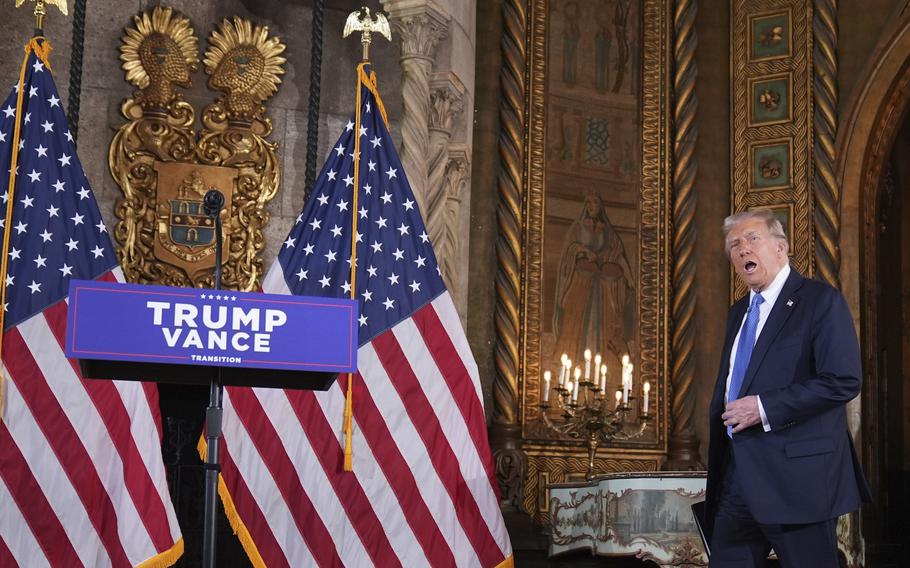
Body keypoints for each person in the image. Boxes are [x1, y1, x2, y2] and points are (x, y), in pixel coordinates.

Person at [704, 210, 871, 566]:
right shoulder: (738, 313)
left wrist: (762, 407)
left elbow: (843, 379)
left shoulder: (819, 301)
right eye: (734, 245)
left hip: (798, 482)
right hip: (737, 480)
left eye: (752, 239)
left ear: (781, 248)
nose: (742, 248)